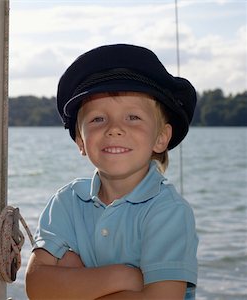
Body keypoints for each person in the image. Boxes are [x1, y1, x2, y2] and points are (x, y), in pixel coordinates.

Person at [25, 44, 198, 299]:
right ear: (81, 142)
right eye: (98, 119)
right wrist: (124, 277)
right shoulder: (66, 202)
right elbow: (37, 286)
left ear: (160, 138)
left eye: (132, 117)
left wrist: (75, 284)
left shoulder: (169, 211)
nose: (114, 128)